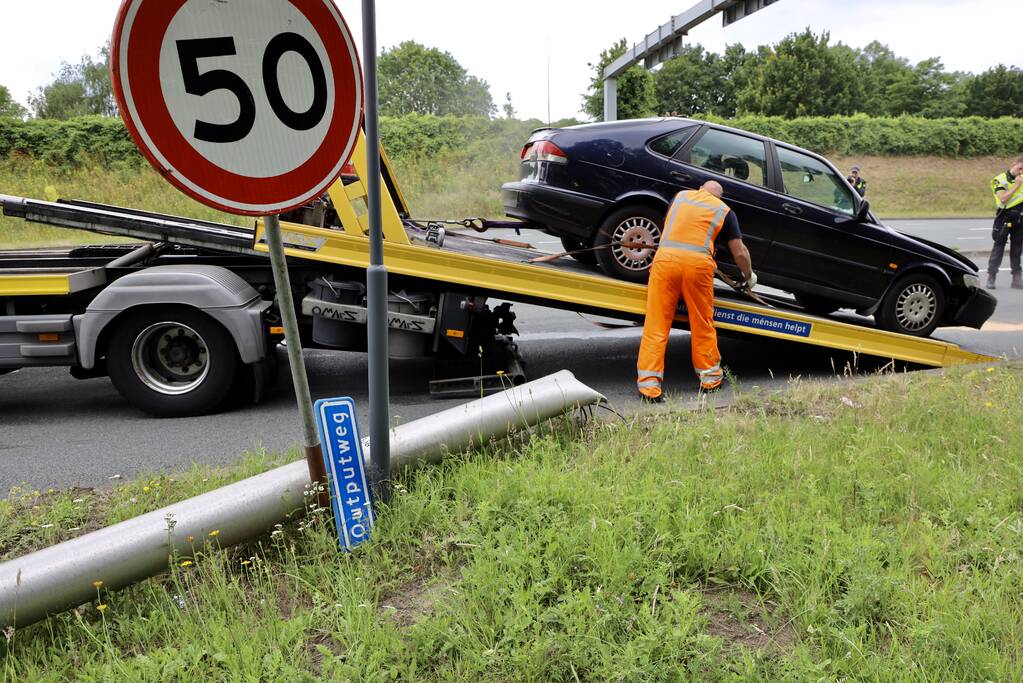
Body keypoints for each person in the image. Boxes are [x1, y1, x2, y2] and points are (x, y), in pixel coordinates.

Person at [637, 181, 755, 402]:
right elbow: (739, 251)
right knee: (702, 322)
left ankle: (649, 387)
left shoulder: (680, 197)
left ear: (700, 189)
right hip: (697, 267)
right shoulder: (724, 210)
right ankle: (710, 380)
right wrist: (748, 276)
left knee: (656, 324)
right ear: (719, 197)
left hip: (665, 261)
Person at [988, 156, 1023, 289]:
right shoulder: (1000, 179)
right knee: (998, 248)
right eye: (1020, 168)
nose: (1021, 171)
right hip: (1004, 219)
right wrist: (1016, 185)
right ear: (1013, 164)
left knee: (1017, 249)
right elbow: (1003, 198)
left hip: (1020, 219)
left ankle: (1017, 278)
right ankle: (991, 276)